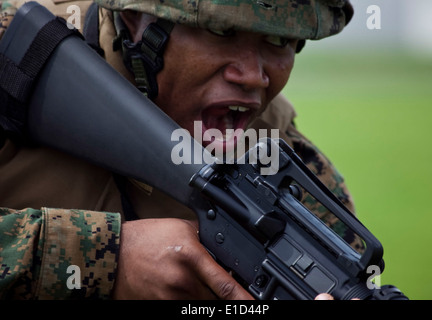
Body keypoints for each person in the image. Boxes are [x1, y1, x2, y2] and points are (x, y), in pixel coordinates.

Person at [0, 0, 354, 299]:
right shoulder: (14, 55)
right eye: (220, 31)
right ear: (137, 19)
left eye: (279, 39)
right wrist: (108, 257)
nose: (252, 76)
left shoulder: (291, 173)